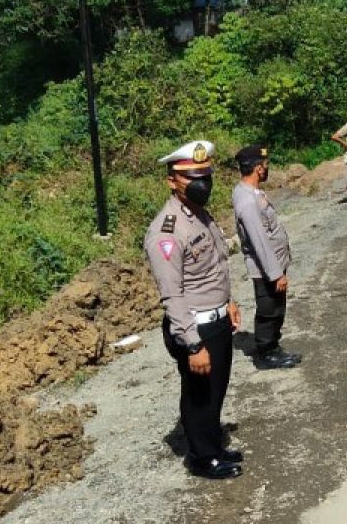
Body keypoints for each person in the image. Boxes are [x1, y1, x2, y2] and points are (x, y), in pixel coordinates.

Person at [144, 140, 243, 480]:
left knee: (215, 390)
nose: (202, 182)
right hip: (195, 328)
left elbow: (215, 265)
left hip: (215, 319)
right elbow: (172, 295)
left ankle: (212, 444)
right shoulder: (166, 232)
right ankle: (202, 458)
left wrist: (227, 302)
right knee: (200, 395)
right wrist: (193, 345)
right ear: (172, 180)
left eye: (206, 174)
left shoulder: (200, 215)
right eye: (191, 177)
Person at [232, 145, 300, 371]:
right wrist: (275, 274)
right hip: (265, 269)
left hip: (272, 265)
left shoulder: (251, 193)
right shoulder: (248, 201)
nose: (267, 168)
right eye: (266, 165)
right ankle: (265, 353)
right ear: (258, 168)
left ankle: (273, 346)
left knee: (276, 308)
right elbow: (260, 241)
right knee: (269, 310)